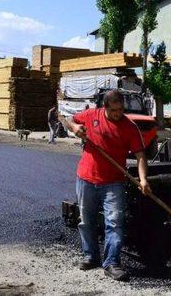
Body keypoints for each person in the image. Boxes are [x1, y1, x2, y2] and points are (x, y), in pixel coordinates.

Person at [62, 89, 151, 282]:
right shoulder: (91, 115)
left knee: (115, 223)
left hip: (114, 182)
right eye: (114, 110)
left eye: (121, 109)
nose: (118, 114)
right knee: (86, 220)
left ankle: (111, 262)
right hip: (86, 178)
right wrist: (74, 128)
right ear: (105, 108)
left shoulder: (129, 127)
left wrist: (143, 179)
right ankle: (91, 256)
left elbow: (140, 155)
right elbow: (68, 120)